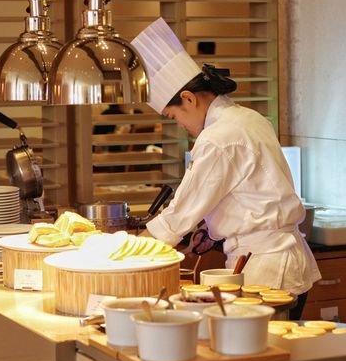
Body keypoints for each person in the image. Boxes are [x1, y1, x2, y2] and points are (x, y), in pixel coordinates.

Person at [132, 18, 321, 319]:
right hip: (283, 259)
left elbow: (179, 216)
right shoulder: (248, 118)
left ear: (188, 99)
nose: (179, 126)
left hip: (267, 267)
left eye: (173, 117)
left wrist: (130, 251)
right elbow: (247, 193)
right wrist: (211, 232)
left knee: (261, 347)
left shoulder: (217, 138)